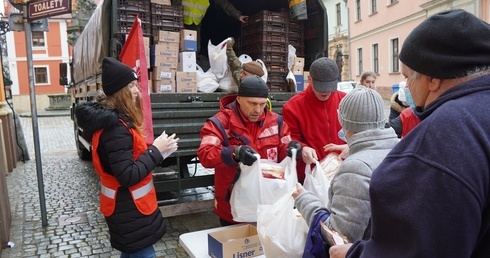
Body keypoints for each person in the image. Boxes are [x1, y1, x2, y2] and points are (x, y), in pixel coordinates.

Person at [330, 9, 490, 258]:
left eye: (407, 77)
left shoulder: (444, 135)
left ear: (433, 79)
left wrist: (355, 254)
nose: (405, 87)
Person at [75, 57, 179, 257]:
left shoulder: (114, 123)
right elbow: (127, 175)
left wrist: (160, 152)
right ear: (120, 92)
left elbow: (128, 160)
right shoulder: (115, 129)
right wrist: (155, 151)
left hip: (127, 209)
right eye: (131, 86)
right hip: (130, 210)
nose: (137, 90)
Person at [293, 86, 399, 257]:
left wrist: (304, 200)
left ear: (345, 123)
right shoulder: (400, 149)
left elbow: (340, 236)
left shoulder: (357, 167)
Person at [197, 75, 300, 226]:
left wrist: (292, 148)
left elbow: (284, 144)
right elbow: (205, 154)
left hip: (269, 204)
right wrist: (234, 153)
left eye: (262, 104)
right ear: (238, 99)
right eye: (252, 103)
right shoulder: (219, 124)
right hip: (234, 207)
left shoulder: (276, 122)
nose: (258, 110)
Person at [282, 57, 347, 183]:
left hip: (343, 171)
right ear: (309, 79)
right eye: (321, 87)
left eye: (329, 86)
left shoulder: (345, 100)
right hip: (311, 175)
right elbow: (289, 139)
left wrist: (352, 146)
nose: (325, 91)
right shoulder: (293, 107)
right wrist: (302, 149)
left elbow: (360, 133)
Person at [173, 0, 248, 54]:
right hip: (180, 22)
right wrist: (176, 19)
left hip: (195, 24)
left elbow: (224, 4)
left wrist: (238, 16)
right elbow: (176, 3)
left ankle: (189, 70)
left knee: (194, 49)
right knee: (177, 45)